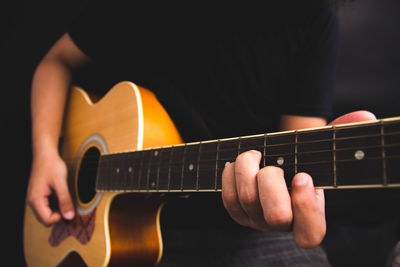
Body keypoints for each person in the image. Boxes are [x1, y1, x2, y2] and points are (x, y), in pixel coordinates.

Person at [25, 1, 377, 266]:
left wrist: (293, 206)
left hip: (245, 231)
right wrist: (45, 154)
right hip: (121, 232)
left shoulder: (312, 17)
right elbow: (56, 61)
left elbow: (303, 159)